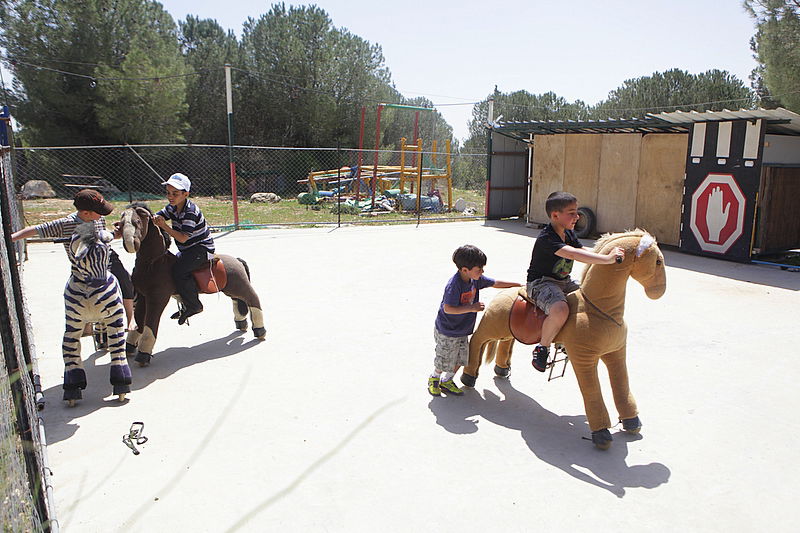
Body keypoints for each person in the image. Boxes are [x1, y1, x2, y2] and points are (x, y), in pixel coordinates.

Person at [11, 189, 137, 332]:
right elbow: (36, 229)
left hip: (106, 257)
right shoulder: (66, 223)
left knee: (125, 280)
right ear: (85, 213)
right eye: (99, 211)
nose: (102, 215)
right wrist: (11, 238)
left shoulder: (98, 218)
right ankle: (84, 322)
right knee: (77, 292)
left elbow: (103, 235)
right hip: (82, 265)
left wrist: (115, 234)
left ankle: (130, 318)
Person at [526, 191, 624, 372]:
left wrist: (607, 256)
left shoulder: (569, 233)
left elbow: (583, 251)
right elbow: (573, 254)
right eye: (571, 212)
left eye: (577, 211)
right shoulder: (547, 238)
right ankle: (542, 347)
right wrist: (608, 259)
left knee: (591, 297)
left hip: (564, 281)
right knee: (560, 309)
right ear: (555, 215)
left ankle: (577, 337)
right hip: (541, 283)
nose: (577, 216)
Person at [429, 244, 521, 396]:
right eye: (479, 269)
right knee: (445, 358)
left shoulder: (475, 279)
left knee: (462, 357)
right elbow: (448, 308)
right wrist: (472, 308)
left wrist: (517, 285)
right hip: (448, 330)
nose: (482, 272)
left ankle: (447, 380)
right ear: (465, 270)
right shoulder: (454, 285)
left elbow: (495, 283)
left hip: (462, 330)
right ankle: (434, 377)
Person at [152, 173, 214, 325]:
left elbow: (183, 237)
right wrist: (151, 217)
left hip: (201, 249)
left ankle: (194, 305)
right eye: (168, 193)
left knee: (179, 271)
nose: (170, 197)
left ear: (186, 194)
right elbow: (159, 214)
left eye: (175, 194)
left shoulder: (190, 211)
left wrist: (164, 226)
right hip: (188, 249)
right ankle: (185, 300)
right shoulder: (172, 208)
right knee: (170, 264)